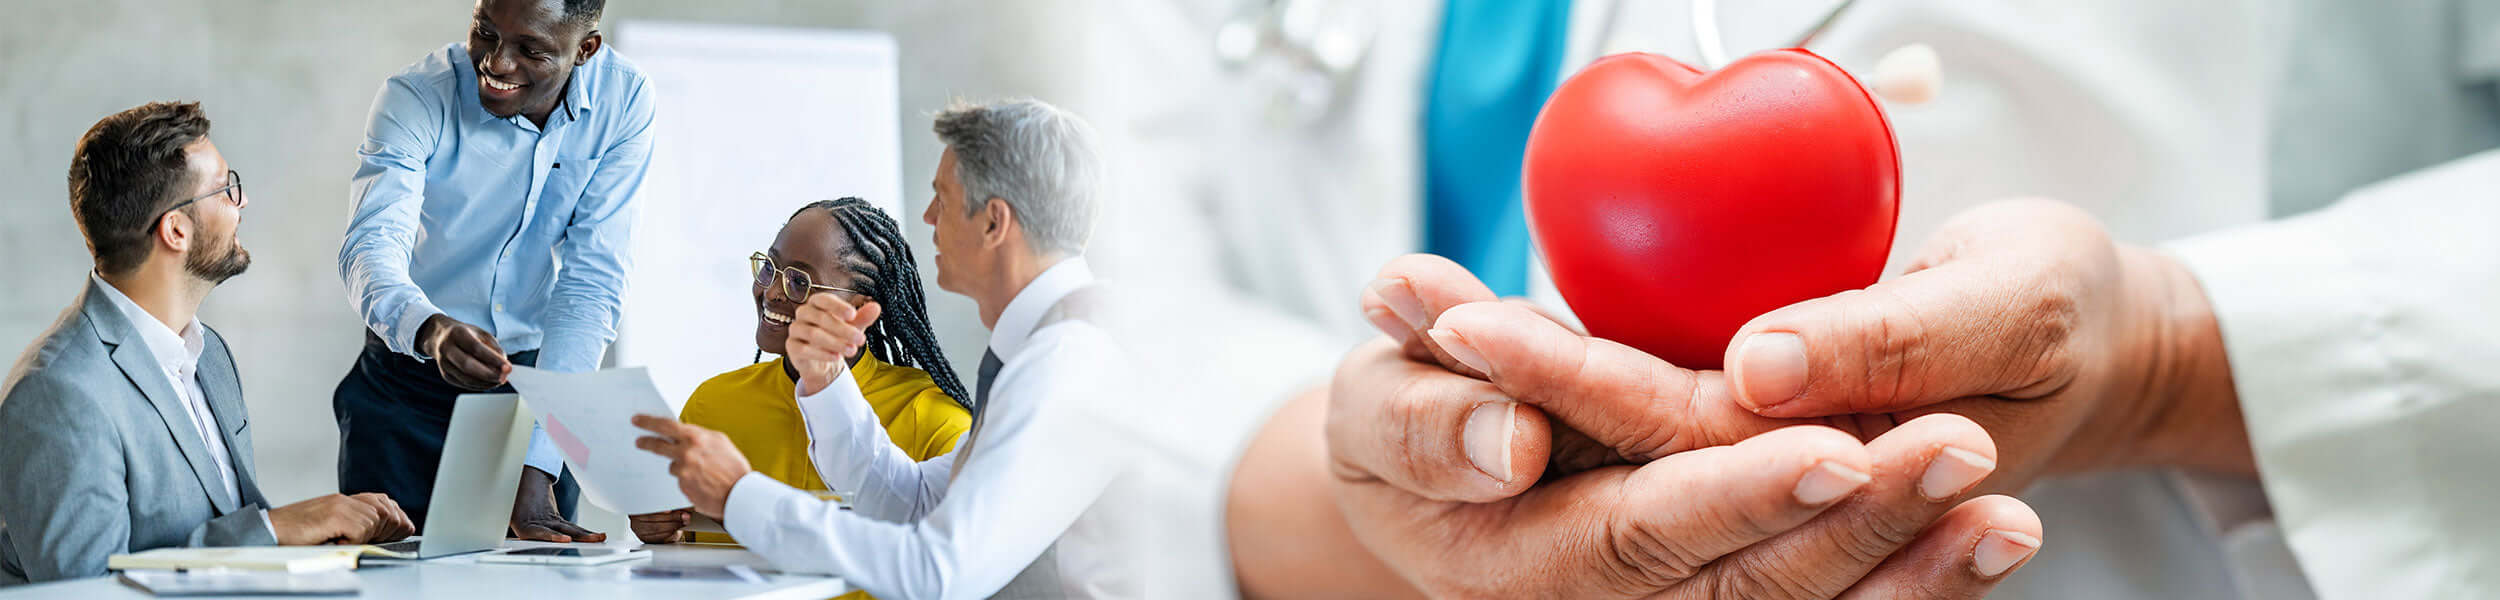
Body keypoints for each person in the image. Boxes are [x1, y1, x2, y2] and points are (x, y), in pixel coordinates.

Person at [634, 98, 1139, 599]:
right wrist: (827, 381)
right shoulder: (1046, 353)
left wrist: (739, 495)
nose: (927, 216)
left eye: (942, 198)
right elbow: (914, 502)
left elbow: (936, 573)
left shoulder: (1066, 367)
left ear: (993, 223)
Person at [1, 102, 414, 586]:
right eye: (224, 189)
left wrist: (322, 538)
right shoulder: (58, 393)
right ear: (175, 230)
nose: (240, 203)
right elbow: (87, 588)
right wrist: (273, 530)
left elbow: (222, 528)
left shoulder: (208, 354)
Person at [333, 0, 653, 540]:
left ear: (586, 49)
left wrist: (541, 459)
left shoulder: (624, 99)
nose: (498, 63)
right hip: (407, 383)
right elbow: (371, 246)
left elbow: (591, 283)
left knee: (536, 582)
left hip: (535, 390)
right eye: (485, 32)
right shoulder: (416, 96)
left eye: (531, 50)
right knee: (391, 581)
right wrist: (429, 328)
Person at [628, 198, 973, 555]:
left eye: (799, 282)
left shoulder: (932, 416)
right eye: (769, 269)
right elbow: (688, 546)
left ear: (858, 309)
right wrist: (664, 531)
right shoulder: (713, 402)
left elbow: (941, 561)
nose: (772, 293)